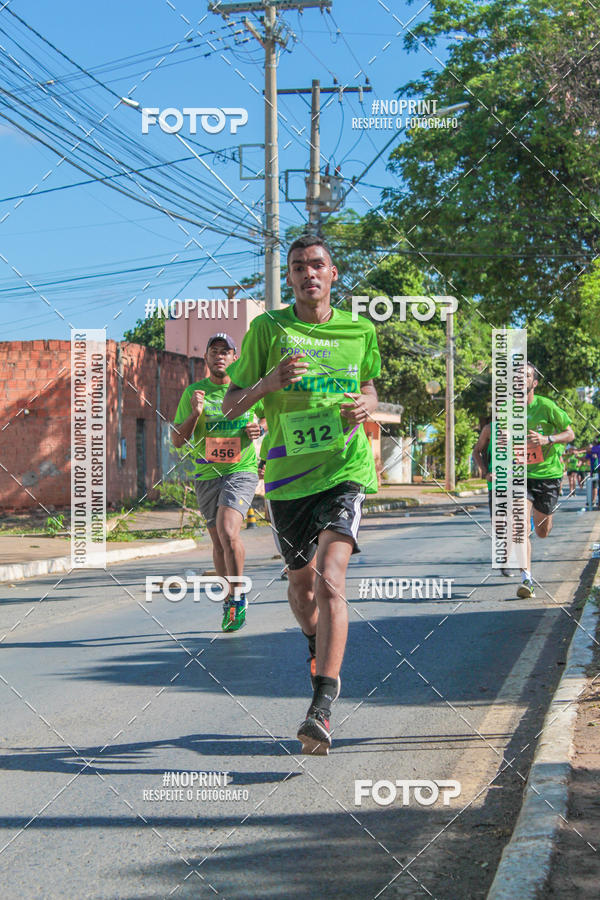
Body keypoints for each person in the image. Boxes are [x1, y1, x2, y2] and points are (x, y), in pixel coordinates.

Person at [223, 235, 381, 755]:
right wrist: (268, 384)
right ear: (289, 278)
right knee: (300, 588)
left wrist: (364, 404)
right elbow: (230, 406)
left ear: (333, 274)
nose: (308, 273)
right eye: (298, 267)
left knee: (330, 577)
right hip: (289, 477)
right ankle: (316, 644)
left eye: (317, 265)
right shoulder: (268, 329)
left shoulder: (360, 330)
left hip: (345, 467)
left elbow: (372, 386)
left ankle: (323, 704)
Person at [172, 333, 265, 632]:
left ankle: (238, 597)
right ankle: (229, 598)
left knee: (228, 530)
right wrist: (195, 414)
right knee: (217, 540)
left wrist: (258, 428)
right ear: (207, 359)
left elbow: (268, 418)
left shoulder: (247, 390)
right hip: (207, 474)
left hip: (241, 469)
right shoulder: (194, 393)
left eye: (226, 352)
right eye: (214, 351)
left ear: (235, 358)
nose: (220, 356)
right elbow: (177, 440)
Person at [518, 363, 575, 599]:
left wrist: (547, 439)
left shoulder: (546, 406)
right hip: (520, 475)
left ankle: (540, 520)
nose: (521, 379)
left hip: (548, 476)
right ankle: (526, 580)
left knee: (542, 531)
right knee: (519, 527)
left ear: (534, 382)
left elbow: (570, 434)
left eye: (526, 376)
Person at [472, 418, 515, 577]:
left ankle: (506, 561)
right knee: (499, 524)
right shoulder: (489, 429)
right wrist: (485, 472)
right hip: (496, 484)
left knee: (510, 522)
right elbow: (476, 452)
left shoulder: (522, 427)